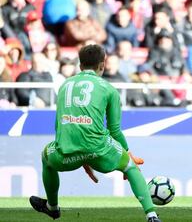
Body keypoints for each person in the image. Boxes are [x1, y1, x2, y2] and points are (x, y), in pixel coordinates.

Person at [29, 44, 161, 222]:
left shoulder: (64, 85)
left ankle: (52, 208)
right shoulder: (109, 89)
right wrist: (127, 152)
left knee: (46, 158)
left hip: (66, 153)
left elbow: (60, 126)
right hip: (100, 151)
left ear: (80, 66)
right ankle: (151, 216)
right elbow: (114, 130)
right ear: (102, 65)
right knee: (130, 166)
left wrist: (79, 152)